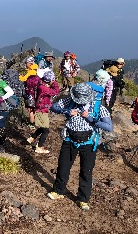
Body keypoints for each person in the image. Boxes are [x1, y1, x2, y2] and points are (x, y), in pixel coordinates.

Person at [47, 83, 113, 211]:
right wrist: (65, 111)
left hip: (89, 143)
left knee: (86, 171)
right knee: (63, 166)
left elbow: (109, 127)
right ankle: (58, 190)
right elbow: (53, 107)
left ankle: (83, 199)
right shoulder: (70, 101)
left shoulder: (98, 107)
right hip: (69, 139)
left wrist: (91, 118)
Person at [26, 71, 60, 153]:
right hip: (41, 110)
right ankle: (39, 147)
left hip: (40, 108)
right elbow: (55, 92)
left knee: (42, 127)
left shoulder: (40, 83)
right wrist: (55, 83)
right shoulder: (43, 88)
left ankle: (31, 138)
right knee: (46, 130)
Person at [20, 56, 39, 126]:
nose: (25, 64)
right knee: (34, 109)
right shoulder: (36, 70)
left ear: (30, 64)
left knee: (30, 110)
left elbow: (23, 79)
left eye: (26, 63)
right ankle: (36, 123)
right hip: (36, 93)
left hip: (30, 93)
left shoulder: (30, 72)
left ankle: (32, 124)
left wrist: (19, 76)